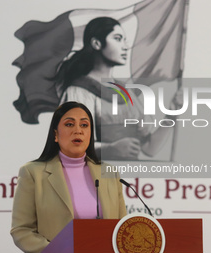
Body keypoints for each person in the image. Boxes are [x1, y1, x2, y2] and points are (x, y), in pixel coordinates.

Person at [55, 17, 182, 160]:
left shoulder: (127, 92)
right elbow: (70, 145)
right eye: (117, 38)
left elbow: (149, 148)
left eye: (124, 40)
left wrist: (172, 112)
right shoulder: (78, 92)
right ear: (97, 43)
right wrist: (109, 149)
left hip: (131, 178)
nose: (125, 46)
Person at [10, 102, 127, 253]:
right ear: (55, 135)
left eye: (84, 125)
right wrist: (58, 251)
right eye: (70, 124)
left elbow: (123, 227)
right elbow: (22, 230)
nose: (78, 130)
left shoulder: (109, 172)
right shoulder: (33, 173)